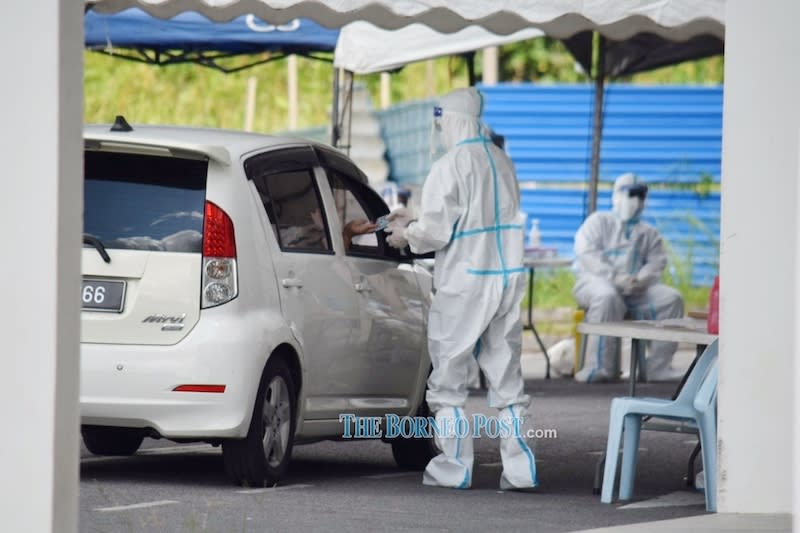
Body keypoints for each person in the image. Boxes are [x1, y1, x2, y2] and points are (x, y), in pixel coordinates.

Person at [384, 87, 538, 491]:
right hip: (505, 279)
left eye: (440, 122)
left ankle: (454, 467)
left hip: (465, 285)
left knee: (448, 379)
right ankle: (519, 471)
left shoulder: (449, 166)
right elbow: (476, 218)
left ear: (449, 120)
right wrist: (417, 220)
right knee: (507, 379)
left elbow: (436, 230)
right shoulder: (502, 162)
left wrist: (406, 234)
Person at [573, 172, 685, 383]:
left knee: (672, 299)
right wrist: (614, 277)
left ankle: (658, 368)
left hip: (636, 290)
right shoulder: (598, 222)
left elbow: (657, 261)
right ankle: (598, 367)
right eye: (630, 195)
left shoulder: (648, 233)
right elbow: (588, 255)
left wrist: (640, 280)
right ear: (616, 195)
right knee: (607, 297)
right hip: (596, 282)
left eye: (641, 196)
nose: (636, 201)